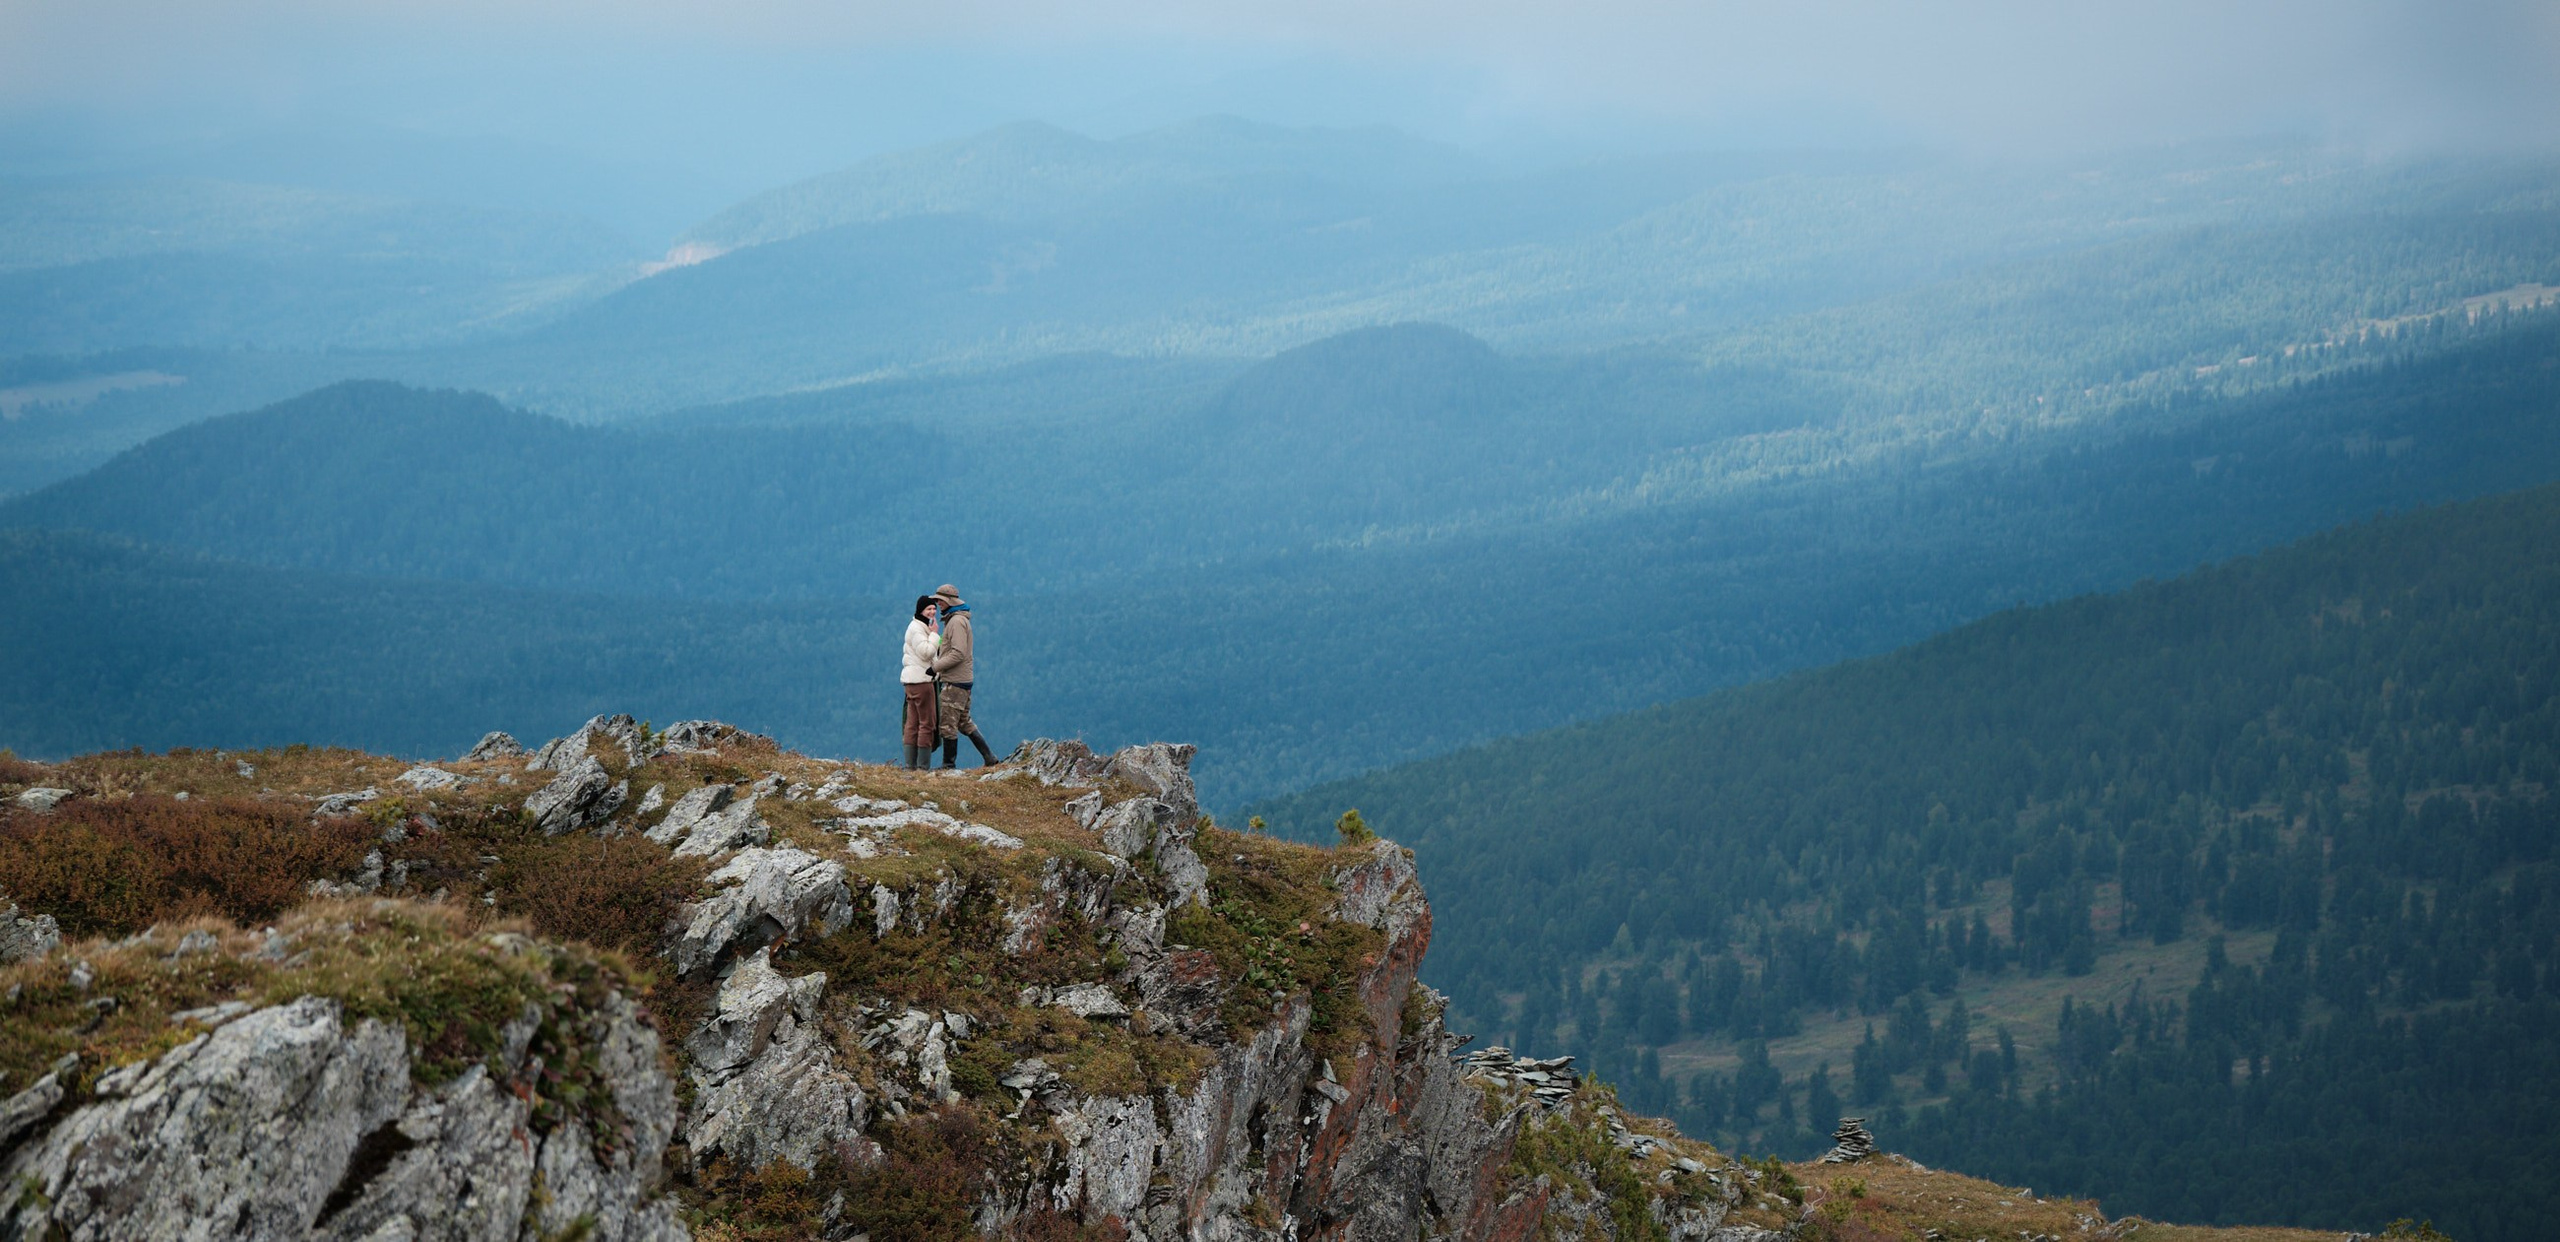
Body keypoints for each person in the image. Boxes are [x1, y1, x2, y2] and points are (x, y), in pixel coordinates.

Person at [928, 583, 997, 769]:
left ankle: (948, 765)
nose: (938, 604)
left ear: (949, 601)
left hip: (955, 681)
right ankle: (989, 757)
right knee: (964, 722)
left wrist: (935, 667)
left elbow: (958, 653)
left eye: (940, 600)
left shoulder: (956, 622)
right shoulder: (957, 620)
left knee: (948, 724)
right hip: (963, 680)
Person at [900, 594, 940, 769]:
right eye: (928, 609)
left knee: (912, 723)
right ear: (920, 610)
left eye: (934, 609)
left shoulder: (918, 626)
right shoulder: (917, 629)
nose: (932, 612)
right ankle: (922, 768)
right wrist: (935, 635)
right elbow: (926, 652)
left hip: (911, 681)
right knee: (927, 723)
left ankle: (910, 766)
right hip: (922, 681)